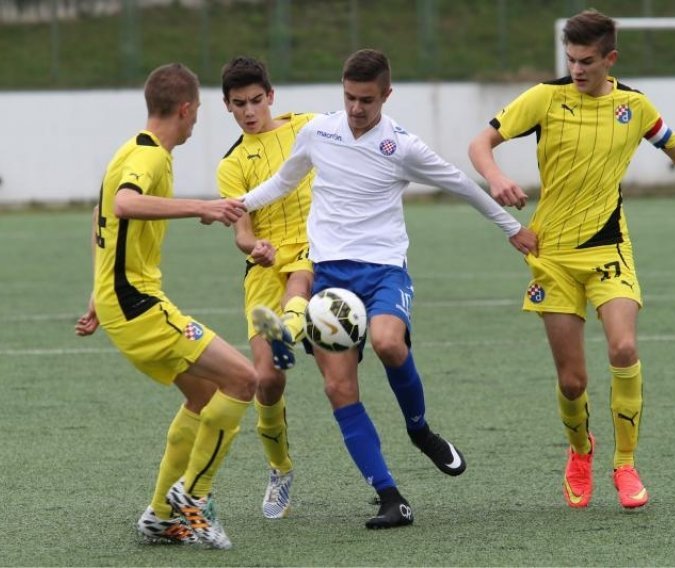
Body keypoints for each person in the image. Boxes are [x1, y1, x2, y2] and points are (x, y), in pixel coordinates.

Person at [468, 9, 675, 510]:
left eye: (587, 61)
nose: (577, 69)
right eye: (572, 59)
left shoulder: (634, 106)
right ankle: (581, 452)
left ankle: (625, 463)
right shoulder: (545, 98)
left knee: (623, 349)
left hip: (609, 249)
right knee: (572, 380)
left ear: (610, 58)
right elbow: (480, 142)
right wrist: (494, 177)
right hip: (551, 255)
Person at [240, 48, 538, 529]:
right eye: (350, 97)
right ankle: (389, 496)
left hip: (382, 273)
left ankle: (420, 431)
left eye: (367, 100)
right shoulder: (318, 133)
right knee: (339, 387)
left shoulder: (402, 146)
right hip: (330, 278)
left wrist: (511, 229)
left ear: (387, 95)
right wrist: (234, 205)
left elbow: (460, 184)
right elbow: (281, 182)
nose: (357, 108)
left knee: (386, 341)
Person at [74, 63, 256, 549]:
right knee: (243, 379)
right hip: (139, 307)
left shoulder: (135, 149)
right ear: (187, 108)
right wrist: (203, 206)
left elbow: (101, 213)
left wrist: (98, 289)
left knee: (202, 399)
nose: (196, 121)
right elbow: (125, 205)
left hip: (123, 304)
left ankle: (160, 516)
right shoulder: (148, 157)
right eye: (197, 112)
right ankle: (193, 496)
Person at [216, 55, 315, 519]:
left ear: (271, 96)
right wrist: (255, 249)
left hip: (318, 250)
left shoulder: (310, 127)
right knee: (267, 380)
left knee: (303, 274)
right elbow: (242, 232)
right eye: (240, 104)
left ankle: (288, 330)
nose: (250, 110)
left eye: (257, 100)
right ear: (227, 107)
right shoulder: (233, 165)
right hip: (265, 267)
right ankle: (280, 469)